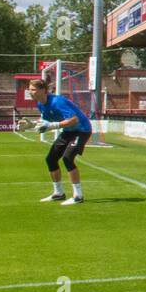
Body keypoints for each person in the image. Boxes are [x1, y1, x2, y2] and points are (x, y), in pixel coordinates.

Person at [27, 78, 92, 206]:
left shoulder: (57, 102)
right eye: (29, 89)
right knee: (51, 159)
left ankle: (78, 196)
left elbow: (74, 120)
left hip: (82, 130)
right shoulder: (40, 104)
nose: (30, 92)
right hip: (68, 131)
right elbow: (47, 122)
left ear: (43, 90)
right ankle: (58, 193)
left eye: (33, 89)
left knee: (68, 158)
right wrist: (31, 125)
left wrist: (52, 126)